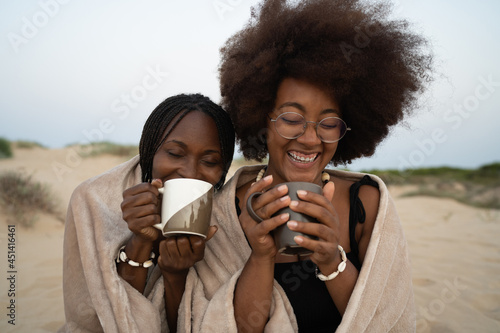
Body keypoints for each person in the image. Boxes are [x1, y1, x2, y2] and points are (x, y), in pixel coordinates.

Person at [173, 0, 433, 332]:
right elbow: (225, 327)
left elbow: (386, 321)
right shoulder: (226, 209)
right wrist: (262, 256)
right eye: (292, 118)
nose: (310, 139)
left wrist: (331, 260)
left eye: (328, 124)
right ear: (261, 120)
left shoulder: (365, 204)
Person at [59, 93, 235, 332]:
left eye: (210, 161)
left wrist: (175, 274)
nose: (190, 172)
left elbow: (205, 324)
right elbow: (96, 321)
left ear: (222, 170)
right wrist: (140, 241)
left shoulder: (227, 214)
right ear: (150, 152)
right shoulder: (94, 199)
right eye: (175, 154)